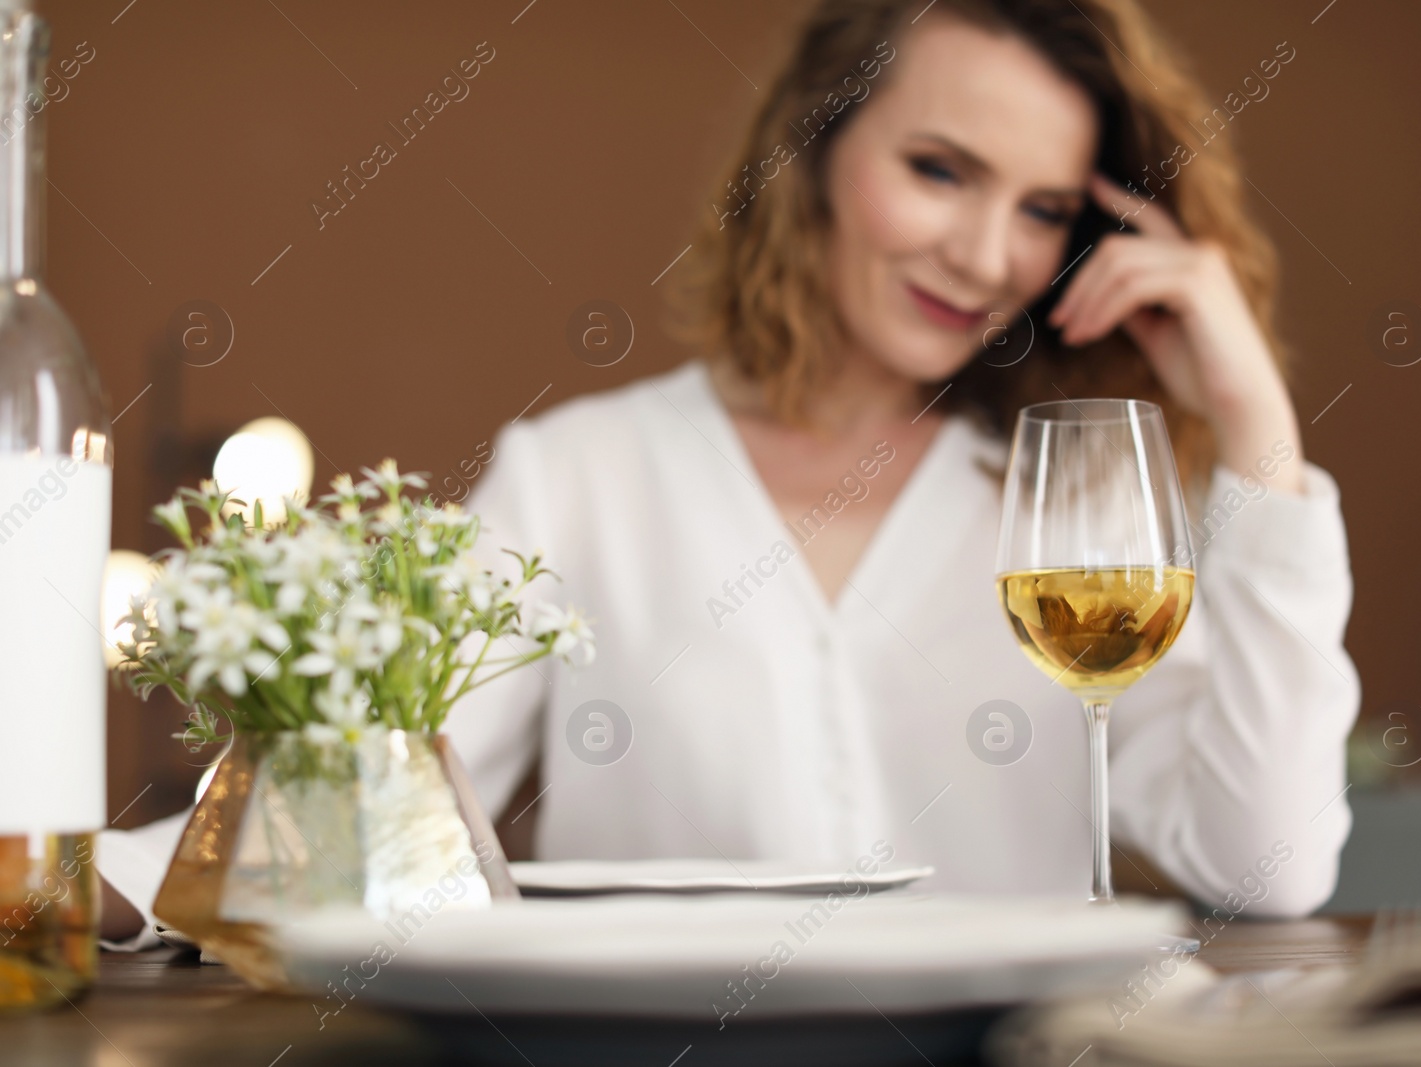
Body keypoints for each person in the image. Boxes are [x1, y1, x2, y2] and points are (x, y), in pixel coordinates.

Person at [99, 0, 1357, 943]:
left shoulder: (1075, 509)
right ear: (812, 148)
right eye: (938, 170)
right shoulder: (580, 476)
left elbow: (1268, 865)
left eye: (1041, 209)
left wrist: (1254, 417)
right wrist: (72, 878)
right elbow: (351, 811)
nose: (984, 255)